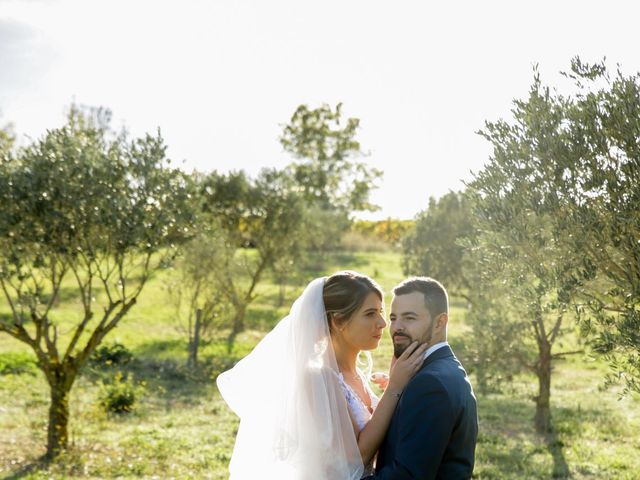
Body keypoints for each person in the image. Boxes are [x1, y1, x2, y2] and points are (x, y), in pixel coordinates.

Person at [216, 271, 427, 479]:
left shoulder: (355, 375)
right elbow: (357, 458)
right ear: (338, 321)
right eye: (370, 313)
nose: (382, 323)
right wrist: (394, 389)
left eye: (381, 312)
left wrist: (394, 392)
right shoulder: (317, 379)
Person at [365, 277, 478, 479]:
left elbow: (407, 475)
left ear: (439, 323)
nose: (396, 327)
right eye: (393, 318)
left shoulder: (430, 384)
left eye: (409, 318)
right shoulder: (444, 369)